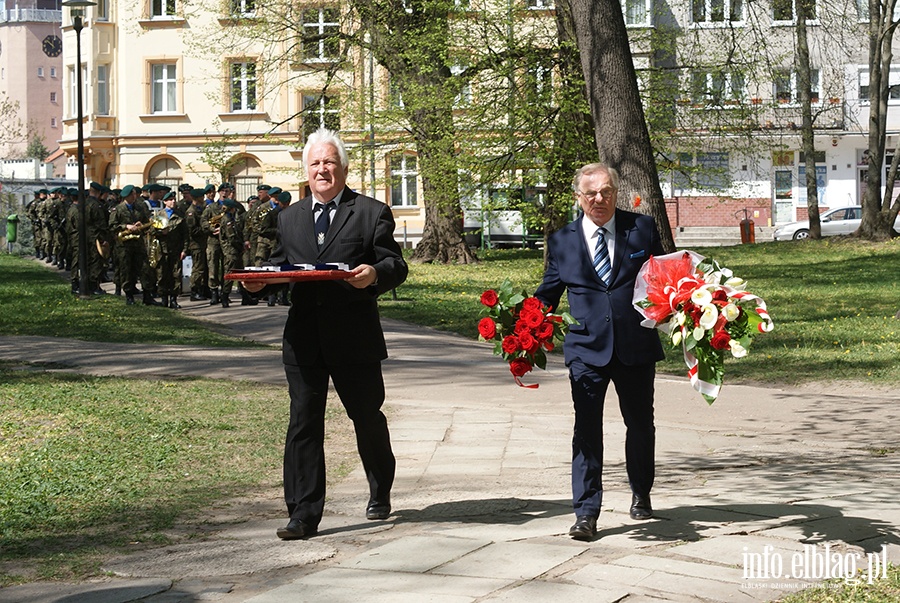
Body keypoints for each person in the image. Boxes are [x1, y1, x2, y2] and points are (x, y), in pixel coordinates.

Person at [248, 128, 408, 540]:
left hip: (355, 338)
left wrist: (375, 274)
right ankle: (303, 513)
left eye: (329, 162)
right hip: (303, 339)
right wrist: (260, 282)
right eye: (316, 163)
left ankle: (380, 487)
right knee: (303, 422)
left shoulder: (371, 212)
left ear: (344, 169)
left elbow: (395, 264)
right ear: (306, 170)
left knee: (365, 417)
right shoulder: (289, 216)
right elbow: (283, 267)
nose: (323, 169)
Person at [533, 163, 665, 542]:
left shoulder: (641, 228)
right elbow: (547, 293)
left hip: (636, 345)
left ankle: (641, 491)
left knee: (640, 424)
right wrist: (523, 323)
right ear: (579, 197)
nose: (599, 199)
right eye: (591, 193)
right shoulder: (562, 240)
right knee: (586, 429)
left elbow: (665, 278)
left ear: (615, 193)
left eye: (606, 191)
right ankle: (586, 512)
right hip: (586, 349)